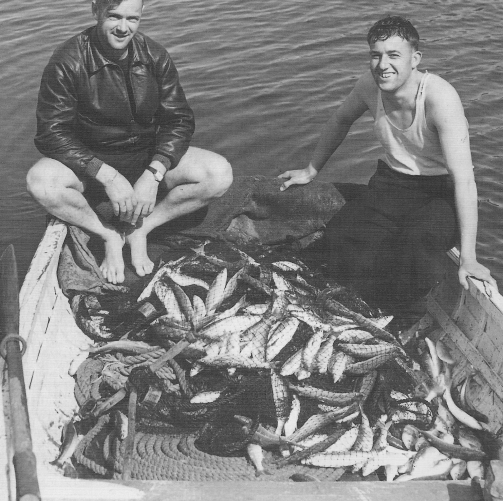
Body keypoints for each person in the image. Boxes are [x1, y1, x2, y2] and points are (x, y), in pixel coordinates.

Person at [278, 15, 496, 314]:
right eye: (375, 55)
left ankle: (395, 313)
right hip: (393, 183)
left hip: (440, 192)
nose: (383, 65)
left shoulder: (440, 98)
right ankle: (351, 306)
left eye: (394, 55)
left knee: (414, 245)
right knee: (341, 236)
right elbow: (340, 120)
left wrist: (469, 257)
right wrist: (311, 170)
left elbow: (465, 181)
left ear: (415, 59)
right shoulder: (369, 85)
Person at [27, 0, 233, 284]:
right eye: (114, 17)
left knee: (218, 173)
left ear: (141, 17)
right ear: (96, 11)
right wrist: (107, 175)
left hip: (145, 156)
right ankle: (108, 233)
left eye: (132, 19)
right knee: (40, 181)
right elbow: (51, 133)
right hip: (90, 162)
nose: (123, 28)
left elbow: (179, 121)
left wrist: (155, 172)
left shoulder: (155, 55)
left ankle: (142, 228)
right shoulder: (67, 60)